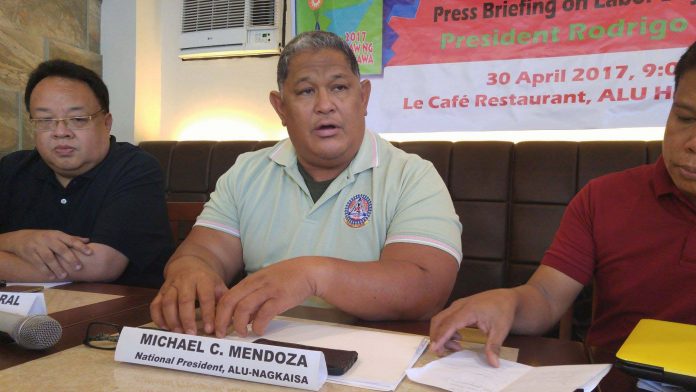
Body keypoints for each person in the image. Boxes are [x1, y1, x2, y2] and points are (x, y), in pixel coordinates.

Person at [150, 31, 463, 338]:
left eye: (339, 87)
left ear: (363, 98)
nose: (325, 105)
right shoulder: (248, 172)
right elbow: (204, 251)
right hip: (260, 345)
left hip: (369, 351)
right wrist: (190, 269)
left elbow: (426, 288)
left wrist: (313, 276)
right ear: (281, 108)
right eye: (306, 92)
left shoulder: (412, 176)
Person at [429, 41, 696, 367]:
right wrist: (508, 301)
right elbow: (546, 296)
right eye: (685, 118)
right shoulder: (605, 198)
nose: (692, 144)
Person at [0, 59, 173, 288]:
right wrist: (15, 240)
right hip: (24, 316)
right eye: (45, 120)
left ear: (107, 123)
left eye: (78, 119)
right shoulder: (12, 169)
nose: (60, 132)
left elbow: (100, 265)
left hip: (115, 315)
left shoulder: (135, 167)